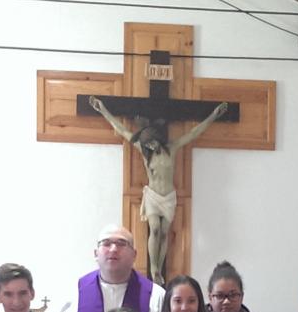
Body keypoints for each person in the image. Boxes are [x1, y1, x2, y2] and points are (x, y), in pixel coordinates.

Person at [91, 96, 228, 284]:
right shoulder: (144, 152)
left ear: (157, 138)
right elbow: (122, 130)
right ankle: (154, 268)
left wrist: (213, 116)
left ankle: (158, 268)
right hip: (153, 196)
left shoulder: (171, 148)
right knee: (154, 229)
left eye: (151, 142)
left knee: (164, 232)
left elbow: (193, 133)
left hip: (169, 196)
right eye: (146, 143)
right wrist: (103, 110)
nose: (149, 145)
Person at [67, 225, 166, 312]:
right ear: (96, 254)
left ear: (134, 254)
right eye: (106, 243)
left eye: (121, 243)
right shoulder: (74, 292)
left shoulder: (156, 295)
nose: (113, 249)